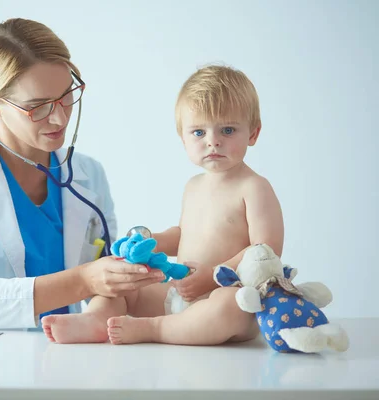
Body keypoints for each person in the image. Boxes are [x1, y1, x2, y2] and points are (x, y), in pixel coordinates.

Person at [0, 18, 165, 329]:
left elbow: (107, 287)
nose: (59, 118)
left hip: (59, 353)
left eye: (65, 96)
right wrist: (85, 280)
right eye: (38, 106)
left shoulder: (89, 175)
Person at [42, 64, 284, 345]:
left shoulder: (254, 188)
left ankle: (153, 329)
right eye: (198, 133)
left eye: (227, 130)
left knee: (231, 306)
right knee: (121, 284)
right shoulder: (193, 186)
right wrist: (152, 242)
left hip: (226, 294)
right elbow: (184, 235)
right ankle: (96, 320)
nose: (212, 142)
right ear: (183, 138)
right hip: (181, 292)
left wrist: (213, 276)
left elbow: (265, 252)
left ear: (252, 134)